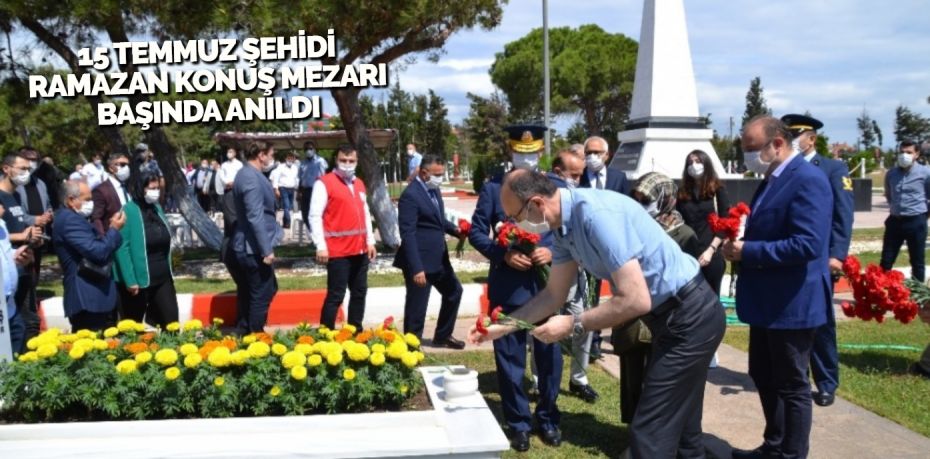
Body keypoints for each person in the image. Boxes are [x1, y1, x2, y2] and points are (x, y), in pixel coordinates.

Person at [468, 168, 724, 458]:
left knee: (651, 432)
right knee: (684, 433)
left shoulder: (595, 216)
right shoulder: (564, 227)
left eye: (515, 217)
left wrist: (573, 324)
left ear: (536, 204)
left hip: (691, 314)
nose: (515, 224)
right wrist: (504, 327)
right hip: (670, 317)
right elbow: (553, 295)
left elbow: (635, 299)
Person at [724, 116, 833, 459]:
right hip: (766, 301)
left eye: (751, 148)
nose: (746, 156)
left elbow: (807, 244)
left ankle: (792, 454)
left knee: (793, 385)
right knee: (763, 374)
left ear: (778, 144)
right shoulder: (771, 178)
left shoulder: (808, 180)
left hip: (792, 302)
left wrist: (748, 251)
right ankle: (774, 446)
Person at [468, 124, 563, 452]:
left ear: (540, 151)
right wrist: (502, 253)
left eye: (532, 152)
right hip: (508, 287)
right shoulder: (494, 189)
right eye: (521, 153)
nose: (527, 157)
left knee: (549, 357)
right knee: (509, 360)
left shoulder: (556, 186)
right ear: (510, 152)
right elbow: (477, 232)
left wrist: (553, 252)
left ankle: (548, 418)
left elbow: (569, 231)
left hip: (548, 286)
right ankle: (518, 422)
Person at [782, 113, 855, 408]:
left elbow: (843, 216)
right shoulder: (786, 168)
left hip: (821, 260)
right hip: (790, 258)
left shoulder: (833, 169)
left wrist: (837, 255)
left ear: (811, 138)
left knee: (822, 324)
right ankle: (796, 377)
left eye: (797, 134)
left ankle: (826, 381)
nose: (793, 140)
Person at [394, 154, 466, 349]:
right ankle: (411, 349)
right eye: (437, 174)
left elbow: (437, 219)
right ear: (424, 173)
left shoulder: (433, 190)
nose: (440, 178)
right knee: (417, 308)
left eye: (442, 174)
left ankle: (443, 335)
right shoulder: (411, 195)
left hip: (439, 260)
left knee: (454, 292)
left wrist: (455, 230)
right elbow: (407, 234)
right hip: (420, 262)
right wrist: (416, 268)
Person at [548, 149, 599, 403]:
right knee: (547, 329)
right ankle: (541, 381)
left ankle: (579, 379)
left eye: (582, 175)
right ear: (558, 172)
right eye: (575, 175)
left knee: (584, 323)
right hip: (550, 274)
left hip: (576, 272)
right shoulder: (544, 196)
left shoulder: (577, 196)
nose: (579, 180)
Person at [311, 144, 377, 329]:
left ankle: (355, 331)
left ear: (356, 162)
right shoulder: (324, 183)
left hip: (360, 249)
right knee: (336, 295)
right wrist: (320, 246)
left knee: (359, 292)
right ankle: (326, 334)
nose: (347, 164)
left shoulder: (359, 183)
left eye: (351, 161)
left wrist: (370, 241)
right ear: (336, 160)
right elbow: (314, 216)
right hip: (337, 251)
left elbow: (365, 213)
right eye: (343, 160)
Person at [579, 135, 630, 361]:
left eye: (596, 153)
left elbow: (627, 209)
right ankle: (594, 340)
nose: (592, 157)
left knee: (622, 292)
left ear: (607, 155)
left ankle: (621, 336)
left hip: (614, 245)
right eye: (588, 152)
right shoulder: (579, 178)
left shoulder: (619, 178)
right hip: (589, 246)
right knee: (591, 295)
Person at [53, 180, 125, 331]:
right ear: (71, 200)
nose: (91, 204)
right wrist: (114, 230)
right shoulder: (69, 220)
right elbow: (97, 252)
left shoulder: (74, 218)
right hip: (86, 293)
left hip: (95, 292)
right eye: (87, 199)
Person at [112, 169, 178, 328]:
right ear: (140, 188)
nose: (155, 192)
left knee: (171, 323)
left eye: (157, 188)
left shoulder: (156, 208)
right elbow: (122, 248)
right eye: (151, 188)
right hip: (138, 281)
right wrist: (130, 280)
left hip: (162, 276)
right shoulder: (129, 210)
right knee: (131, 328)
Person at [229, 141, 283, 334]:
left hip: (248, 245)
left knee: (250, 292)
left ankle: (243, 331)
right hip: (253, 248)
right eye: (271, 154)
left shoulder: (249, 174)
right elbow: (255, 215)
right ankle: (255, 336)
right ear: (261, 154)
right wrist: (266, 249)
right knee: (262, 293)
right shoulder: (250, 177)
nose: (271, 158)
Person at [0, 154, 44, 352]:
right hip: (9, 269)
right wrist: (22, 236)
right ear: (6, 169)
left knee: (28, 319)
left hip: (23, 264)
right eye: (22, 169)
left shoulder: (16, 195)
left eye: (28, 169)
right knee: (19, 323)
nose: (27, 173)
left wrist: (32, 236)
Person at [676, 149, 730, 295]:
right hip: (688, 253)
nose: (694, 165)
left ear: (706, 164)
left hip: (711, 252)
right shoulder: (682, 192)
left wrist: (710, 250)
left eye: (698, 161)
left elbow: (725, 222)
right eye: (690, 162)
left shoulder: (718, 189)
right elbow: (678, 221)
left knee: (712, 297)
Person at [880, 140, 930, 282]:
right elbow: (889, 195)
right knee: (886, 260)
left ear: (917, 154)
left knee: (917, 261)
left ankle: (917, 298)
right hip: (895, 221)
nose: (904, 155)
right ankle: (880, 294)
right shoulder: (891, 173)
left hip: (916, 221)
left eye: (909, 152)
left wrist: (923, 216)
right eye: (902, 152)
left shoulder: (926, 173)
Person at [0, 205, 33, 355]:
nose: (2, 208)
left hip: (10, 308)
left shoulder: (2, 225)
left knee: (15, 360)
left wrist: (17, 256)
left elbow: (5, 253)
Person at [90, 153, 131, 237]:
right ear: (111, 168)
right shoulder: (101, 190)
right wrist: (104, 241)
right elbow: (96, 219)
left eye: (127, 165)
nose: (126, 168)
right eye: (122, 165)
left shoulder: (129, 187)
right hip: (114, 238)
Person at [297, 141, 328, 234]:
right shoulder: (302, 163)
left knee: (317, 213)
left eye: (310, 148)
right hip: (305, 191)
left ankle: (319, 234)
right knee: (305, 214)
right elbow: (300, 178)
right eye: (306, 149)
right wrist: (299, 192)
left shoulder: (320, 161)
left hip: (316, 190)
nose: (308, 151)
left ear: (314, 149)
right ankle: (312, 233)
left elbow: (324, 176)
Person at [273, 151, 299, 229]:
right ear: (286, 158)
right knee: (286, 206)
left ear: (294, 159)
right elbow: (276, 177)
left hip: (292, 188)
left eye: (291, 158)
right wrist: (276, 188)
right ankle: (289, 221)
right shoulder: (281, 166)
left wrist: (297, 188)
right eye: (288, 158)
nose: (290, 160)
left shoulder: (295, 167)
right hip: (283, 188)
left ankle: (285, 223)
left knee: (289, 207)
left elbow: (296, 178)